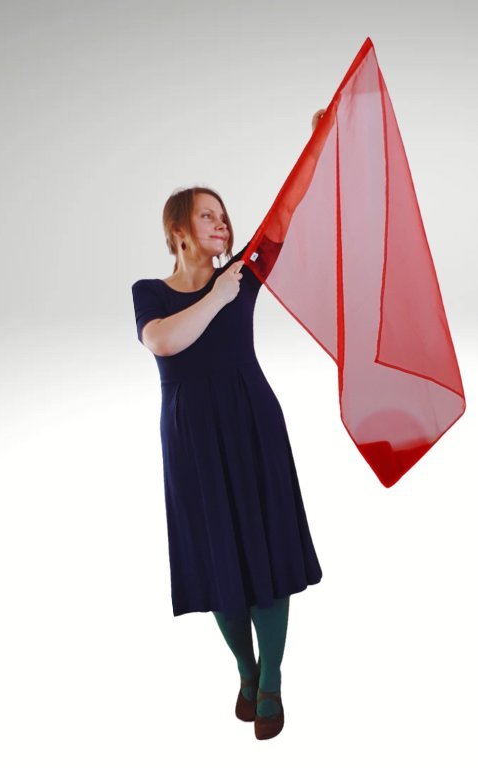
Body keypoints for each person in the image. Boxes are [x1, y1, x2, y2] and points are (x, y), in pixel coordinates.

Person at [131, 110, 326, 740]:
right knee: (220, 561)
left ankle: (271, 680)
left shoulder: (243, 274)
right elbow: (163, 342)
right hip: (192, 439)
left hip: (251, 423)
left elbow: (285, 214)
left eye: (224, 216)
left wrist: (317, 143)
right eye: (208, 216)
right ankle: (245, 668)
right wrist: (217, 294)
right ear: (180, 231)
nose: (223, 224)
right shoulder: (151, 292)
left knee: (268, 551)